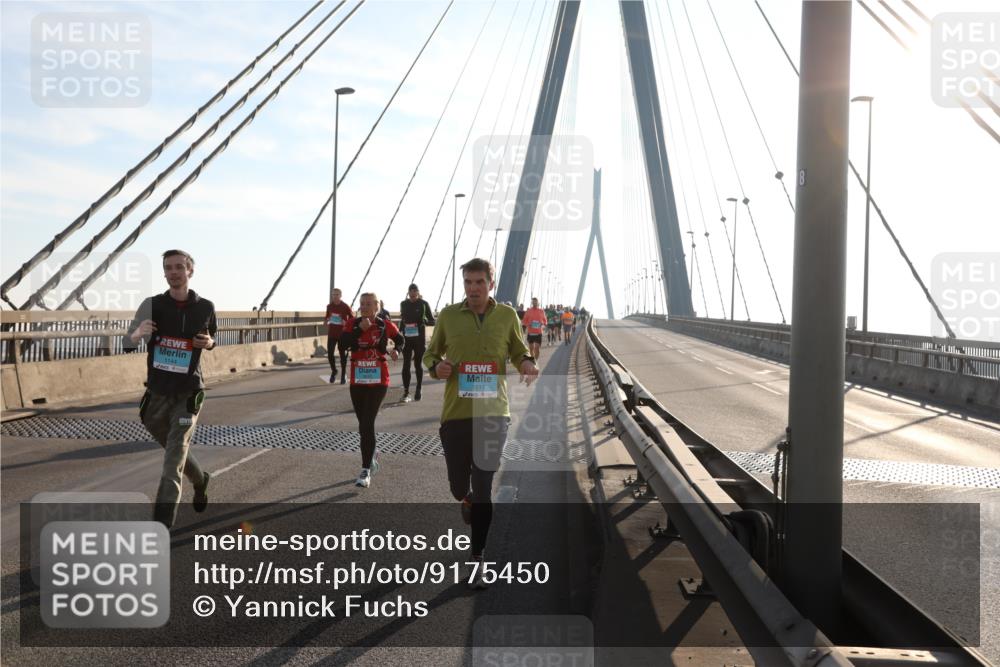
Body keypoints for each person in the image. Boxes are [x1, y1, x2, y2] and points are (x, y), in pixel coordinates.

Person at [424, 257, 538, 589]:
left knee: (485, 488)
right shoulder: (448, 316)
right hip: (456, 414)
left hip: (493, 414)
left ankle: (478, 560)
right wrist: (436, 368)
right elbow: (430, 354)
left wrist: (527, 364)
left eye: (479, 282)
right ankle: (466, 498)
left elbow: (518, 350)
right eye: (468, 283)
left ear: (491, 283)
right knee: (460, 487)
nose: (473, 289)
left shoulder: (506, 316)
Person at [124, 249, 215, 528]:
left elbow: (213, 339)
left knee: (172, 461)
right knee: (175, 450)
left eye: (179, 267)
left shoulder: (205, 307)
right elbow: (127, 343)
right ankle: (201, 480)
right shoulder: (151, 305)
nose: (173, 272)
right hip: (157, 393)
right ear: (164, 273)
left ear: (190, 271)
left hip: (189, 392)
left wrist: (208, 343)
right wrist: (138, 334)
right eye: (168, 268)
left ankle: (160, 527)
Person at [340, 292, 404, 488]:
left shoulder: (384, 324)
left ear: (377, 307)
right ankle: (372, 452)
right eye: (362, 304)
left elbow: (400, 339)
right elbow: (342, 345)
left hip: (379, 380)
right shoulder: (352, 323)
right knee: (363, 427)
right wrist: (359, 330)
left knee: (367, 423)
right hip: (358, 381)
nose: (365, 307)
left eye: (369, 304)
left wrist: (397, 350)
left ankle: (365, 470)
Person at [398, 283, 435, 402]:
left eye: (415, 291)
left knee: (417, 364)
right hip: (407, 339)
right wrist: (398, 333)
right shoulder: (403, 304)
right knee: (406, 365)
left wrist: (424, 321)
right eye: (411, 292)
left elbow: (432, 321)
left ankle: (418, 388)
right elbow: (402, 320)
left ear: (418, 293)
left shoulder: (424, 304)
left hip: (419, 339)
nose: (413, 294)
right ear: (408, 293)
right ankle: (406, 392)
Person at [325, 288, 354, 384]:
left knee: (343, 356)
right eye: (333, 294)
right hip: (332, 333)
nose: (335, 296)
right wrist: (326, 320)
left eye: (337, 294)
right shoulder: (329, 306)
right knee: (330, 354)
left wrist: (346, 322)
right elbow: (327, 316)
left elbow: (352, 318)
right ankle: (334, 371)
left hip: (342, 334)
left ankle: (343, 375)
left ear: (340, 296)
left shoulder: (345, 306)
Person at [521, 297, 547, 363]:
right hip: (530, 333)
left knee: (537, 348)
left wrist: (542, 324)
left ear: (538, 303)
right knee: (531, 348)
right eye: (533, 302)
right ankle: (533, 360)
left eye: (536, 302)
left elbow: (545, 321)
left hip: (538, 332)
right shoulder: (528, 311)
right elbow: (524, 321)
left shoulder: (541, 311)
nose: (535, 303)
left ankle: (535, 360)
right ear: (532, 303)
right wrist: (528, 324)